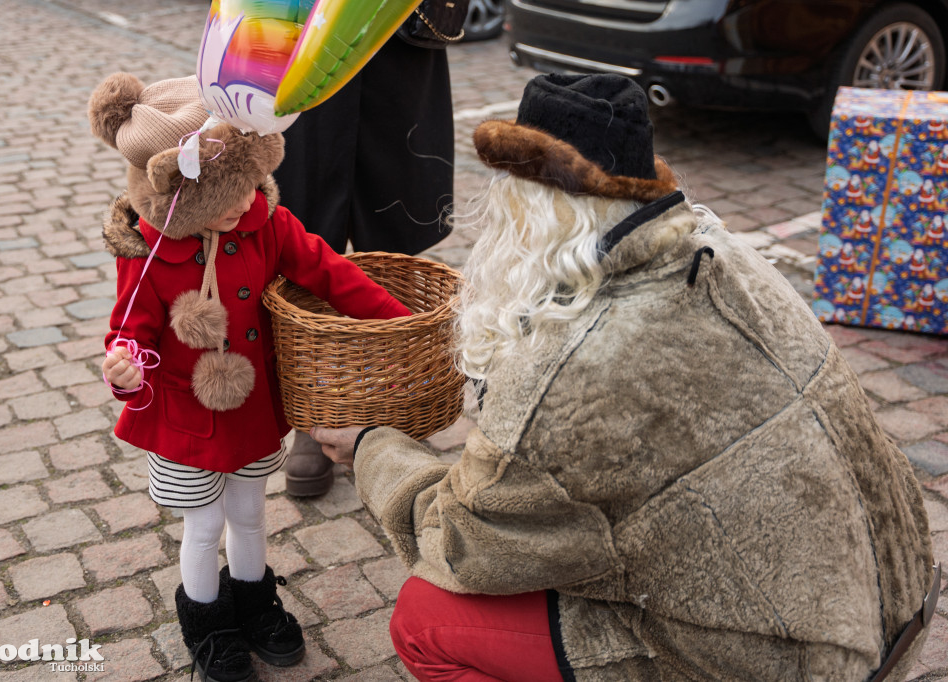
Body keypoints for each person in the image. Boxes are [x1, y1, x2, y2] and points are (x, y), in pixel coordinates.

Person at [310, 74, 939, 681]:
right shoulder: (729, 254)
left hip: (783, 662)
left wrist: (370, 445)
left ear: (528, 210)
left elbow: (461, 545)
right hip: (897, 597)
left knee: (426, 618)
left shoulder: (568, 368)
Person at [88, 72, 411, 682]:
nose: (250, 200)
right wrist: (127, 369)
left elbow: (328, 270)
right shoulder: (152, 254)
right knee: (203, 522)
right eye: (232, 191)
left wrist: (398, 324)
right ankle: (207, 620)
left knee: (250, 512)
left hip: (254, 405)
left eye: (250, 183)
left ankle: (256, 600)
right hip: (189, 416)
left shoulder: (264, 220)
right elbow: (129, 332)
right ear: (189, 194)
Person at [273, 31, 455, 497]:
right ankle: (318, 414)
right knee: (303, 216)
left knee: (397, 208)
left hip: (395, 24)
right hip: (301, 25)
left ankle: (397, 401)